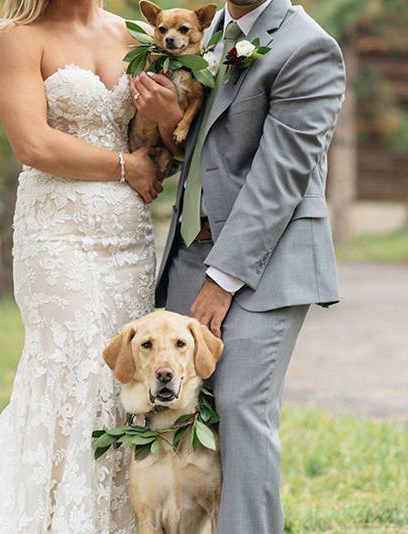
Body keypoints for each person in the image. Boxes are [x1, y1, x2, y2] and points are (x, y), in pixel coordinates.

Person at [0, 0, 163, 532]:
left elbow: (161, 134)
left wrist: (164, 115)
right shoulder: (18, 38)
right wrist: (126, 167)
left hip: (127, 235)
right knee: (69, 372)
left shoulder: (143, 34)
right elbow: (32, 143)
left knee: (125, 376)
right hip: (57, 234)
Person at [138, 0, 346, 532]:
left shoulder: (307, 47)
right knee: (181, 410)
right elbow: (208, 154)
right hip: (189, 249)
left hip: (264, 263)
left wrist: (221, 281)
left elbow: (280, 179)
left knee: (238, 410)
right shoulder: (207, 33)